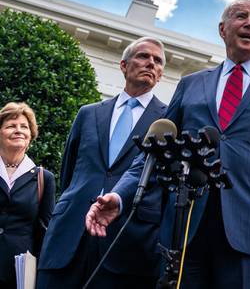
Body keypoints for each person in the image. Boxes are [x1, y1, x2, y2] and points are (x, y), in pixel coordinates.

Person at [86, 0, 250, 288]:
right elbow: (156, 150)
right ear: (223, 29)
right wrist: (120, 195)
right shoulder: (191, 84)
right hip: (187, 226)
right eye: (241, 16)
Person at [37, 37, 167, 289]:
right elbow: (69, 172)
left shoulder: (167, 119)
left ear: (161, 74)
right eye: (143, 56)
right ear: (123, 65)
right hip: (69, 235)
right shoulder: (88, 113)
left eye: (158, 61)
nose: (150, 63)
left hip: (127, 242)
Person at [0, 102, 56, 289]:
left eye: (24, 127)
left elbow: (45, 230)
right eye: (10, 126)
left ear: (31, 135)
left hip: (19, 273)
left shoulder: (43, 178)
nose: (18, 130)